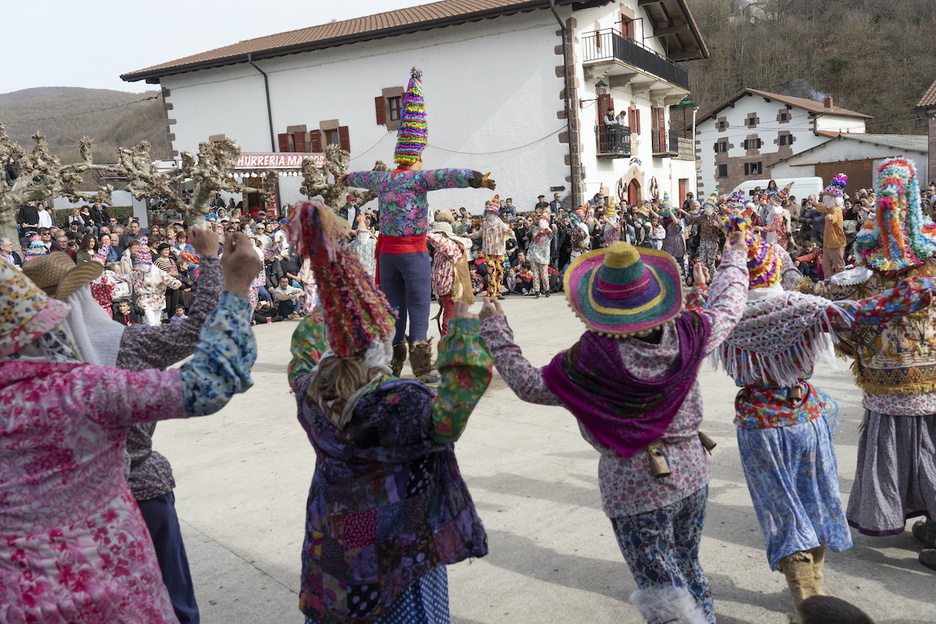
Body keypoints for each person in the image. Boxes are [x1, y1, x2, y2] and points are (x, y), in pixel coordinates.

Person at [479, 234, 749, 623]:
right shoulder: (688, 333)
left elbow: (529, 385)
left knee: (661, 586)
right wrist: (735, 255)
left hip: (636, 485)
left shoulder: (591, 359)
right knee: (688, 567)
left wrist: (497, 332)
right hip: (693, 471)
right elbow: (728, 306)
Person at [0, 231, 260, 624]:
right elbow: (206, 374)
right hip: (122, 573)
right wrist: (227, 278)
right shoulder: (87, 385)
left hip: (22, 600)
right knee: (180, 602)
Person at [693, 220, 936, 613]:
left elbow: (710, 307)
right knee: (818, 501)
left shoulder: (723, 314)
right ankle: (811, 593)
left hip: (760, 424)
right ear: (772, 267)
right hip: (805, 417)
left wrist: (706, 285)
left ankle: (807, 595)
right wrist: (918, 290)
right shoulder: (798, 306)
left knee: (783, 510)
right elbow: (860, 314)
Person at [286, 199, 492, 624]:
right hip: (401, 548)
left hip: (341, 538)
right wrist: (469, 330)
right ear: (380, 343)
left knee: (350, 603)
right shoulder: (400, 401)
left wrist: (331, 300)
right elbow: (454, 410)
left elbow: (301, 357)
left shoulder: (311, 395)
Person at [799, 159, 936, 571]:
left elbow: (827, 301)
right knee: (928, 448)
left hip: (892, 383)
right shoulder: (927, 268)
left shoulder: (870, 278)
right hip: (927, 377)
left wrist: (784, 279)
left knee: (917, 453)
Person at [343, 68, 495, 384]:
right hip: (412, 253)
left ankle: (392, 364)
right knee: (419, 308)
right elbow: (447, 175)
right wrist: (475, 179)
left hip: (386, 255)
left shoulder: (382, 178)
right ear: (418, 154)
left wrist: (339, 178)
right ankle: (422, 367)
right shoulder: (418, 178)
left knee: (393, 309)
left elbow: (354, 177)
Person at [426, 211, 474, 336]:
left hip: (453, 293)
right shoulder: (439, 252)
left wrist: (424, 231)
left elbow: (440, 242)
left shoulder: (453, 246)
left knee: (448, 323)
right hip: (445, 293)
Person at [467, 196, 511, 300]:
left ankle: (498, 291)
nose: (489, 214)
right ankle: (492, 293)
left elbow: (508, 230)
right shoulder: (485, 224)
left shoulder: (500, 223)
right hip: (488, 252)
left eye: (491, 212)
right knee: (491, 272)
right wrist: (468, 235)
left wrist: (511, 232)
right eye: (488, 212)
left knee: (500, 272)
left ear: (495, 213)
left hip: (499, 251)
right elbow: (478, 234)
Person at [812, 174, 848, 277]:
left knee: (839, 266)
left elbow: (835, 216)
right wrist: (815, 204)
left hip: (836, 243)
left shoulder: (836, 209)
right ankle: (829, 283)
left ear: (833, 199)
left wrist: (830, 217)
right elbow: (822, 207)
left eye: (827, 197)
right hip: (827, 243)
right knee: (826, 266)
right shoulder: (829, 207)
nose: (824, 199)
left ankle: (843, 284)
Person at [526, 211, 556, 298]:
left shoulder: (548, 234)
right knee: (535, 274)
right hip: (533, 255)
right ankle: (537, 290)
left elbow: (554, 234)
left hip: (543, 256)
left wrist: (554, 228)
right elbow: (528, 225)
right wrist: (527, 219)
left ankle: (547, 289)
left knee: (544, 274)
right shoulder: (535, 229)